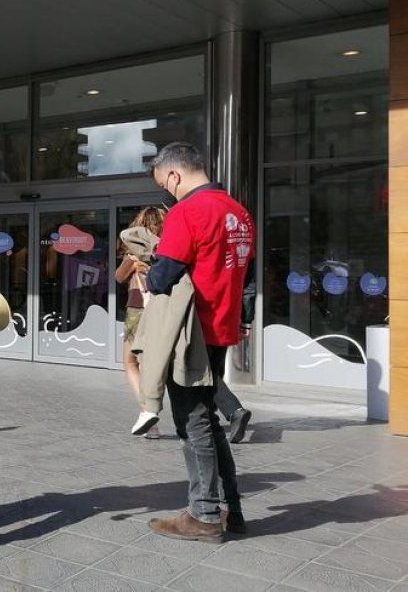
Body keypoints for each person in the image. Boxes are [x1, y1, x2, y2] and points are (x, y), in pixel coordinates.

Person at [146, 142, 255, 541]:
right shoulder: (240, 213)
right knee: (207, 421)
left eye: (164, 184)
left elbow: (163, 278)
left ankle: (205, 515)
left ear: (174, 174)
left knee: (193, 425)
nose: (166, 192)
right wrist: (244, 319)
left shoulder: (187, 212)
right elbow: (248, 278)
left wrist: (148, 269)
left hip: (192, 334)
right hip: (222, 329)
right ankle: (232, 510)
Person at [116, 207, 164, 439]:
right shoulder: (167, 249)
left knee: (130, 362)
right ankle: (150, 417)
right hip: (162, 310)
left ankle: (147, 412)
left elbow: (118, 277)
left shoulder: (134, 252)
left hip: (137, 308)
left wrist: (131, 263)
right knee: (150, 364)